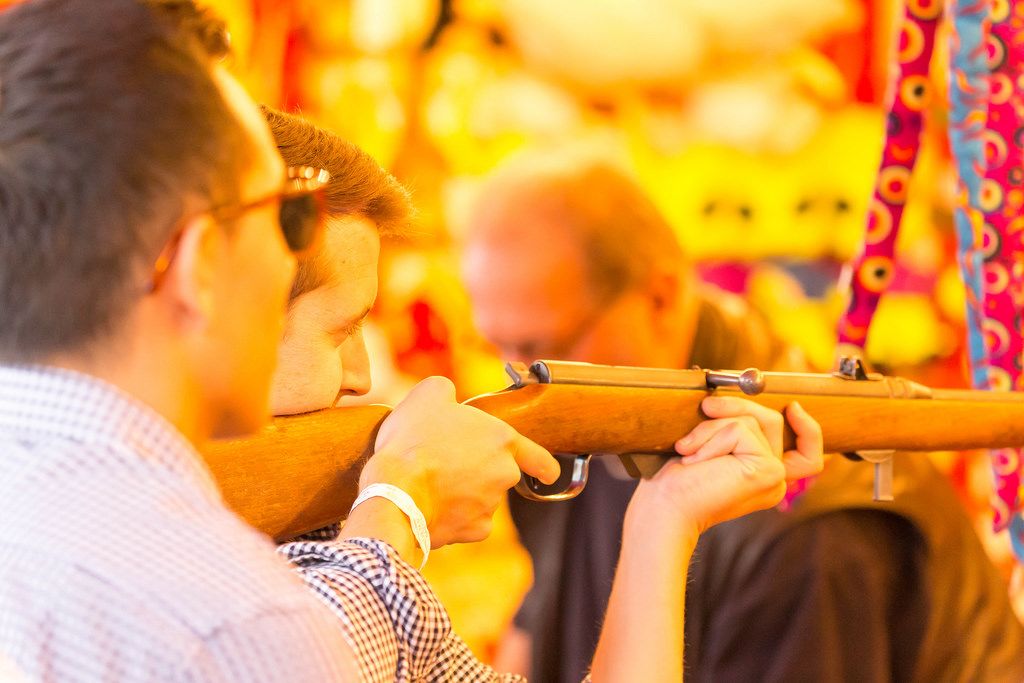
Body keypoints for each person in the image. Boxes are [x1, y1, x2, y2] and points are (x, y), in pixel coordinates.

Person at [0, 2, 822, 681]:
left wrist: (662, 521)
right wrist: (398, 509)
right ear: (195, 263)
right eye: (283, 218)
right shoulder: (236, 623)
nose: (364, 374)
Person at [461, 152, 1024, 682]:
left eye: (539, 347)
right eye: (498, 348)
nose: (517, 378)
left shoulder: (809, 532)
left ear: (659, 297)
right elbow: (542, 616)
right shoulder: (583, 425)